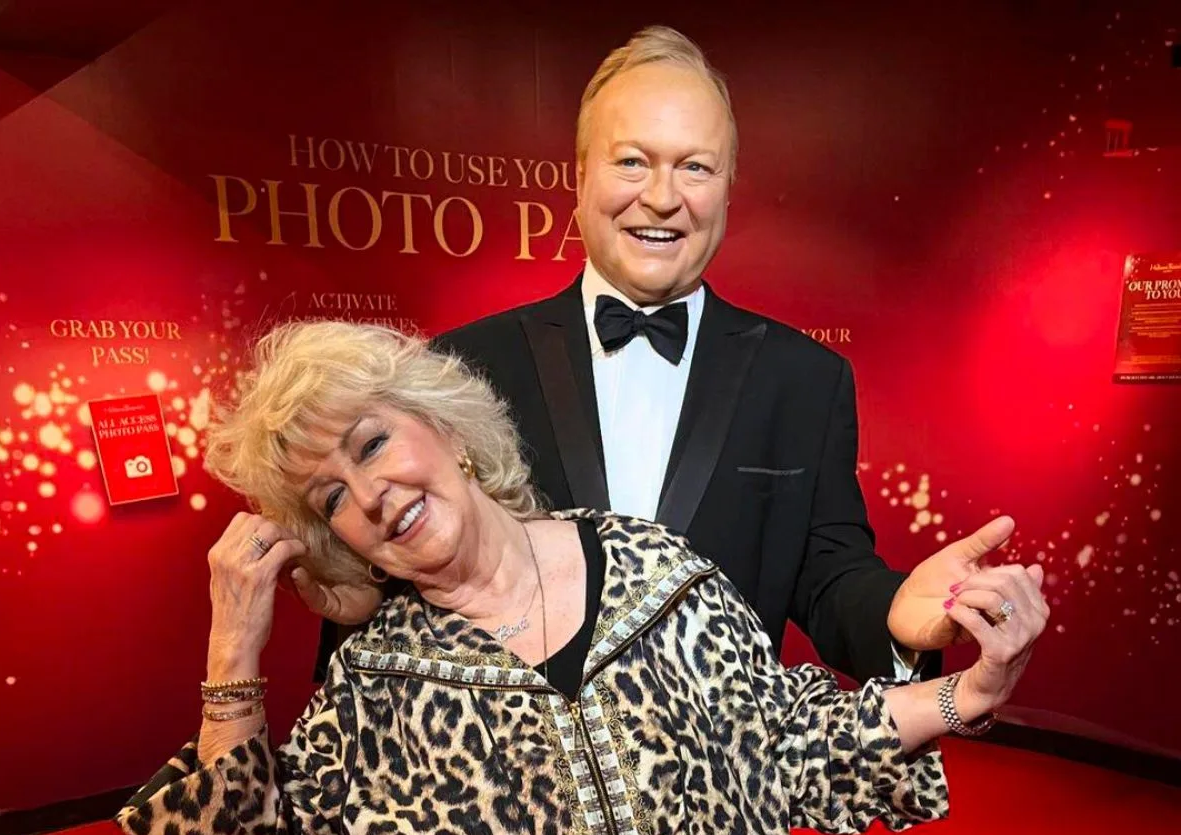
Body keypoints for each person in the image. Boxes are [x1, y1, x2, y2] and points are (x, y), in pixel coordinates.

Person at [118, 322, 1048, 835]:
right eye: (331, 498)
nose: (370, 493)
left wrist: (968, 692)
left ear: (444, 427)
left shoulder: (648, 564)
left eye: (372, 443)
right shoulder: (375, 689)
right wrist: (232, 657)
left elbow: (785, 738)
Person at [303, 26, 1035, 687]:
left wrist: (901, 615)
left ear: (726, 191)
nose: (661, 197)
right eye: (632, 161)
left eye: (694, 167)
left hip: (720, 798)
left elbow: (830, 578)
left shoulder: (804, 381)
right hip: (518, 807)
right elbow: (404, 579)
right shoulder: (464, 368)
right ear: (579, 175)